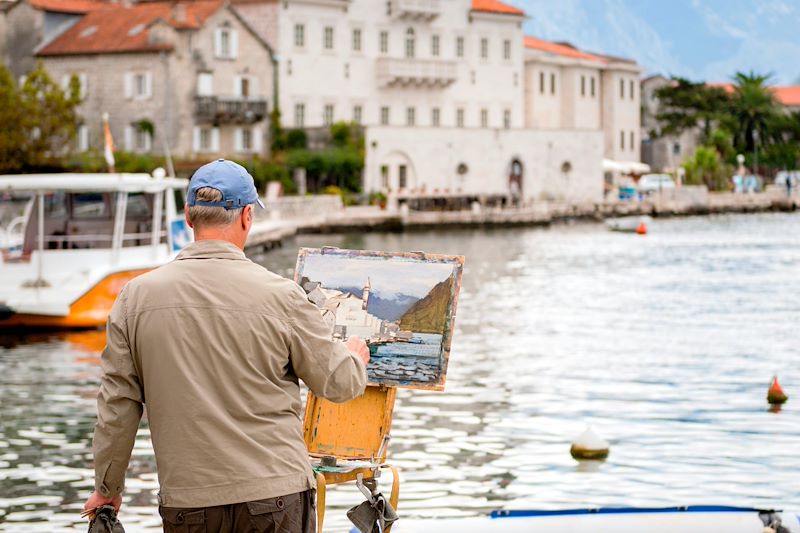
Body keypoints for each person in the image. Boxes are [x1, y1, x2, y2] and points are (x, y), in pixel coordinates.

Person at [83, 159, 370, 532]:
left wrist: (107, 487)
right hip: (275, 496)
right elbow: (340, 384)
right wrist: (354, 357)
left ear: (188, 216)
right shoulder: (282, 295)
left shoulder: (133, 299)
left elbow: (117, 405)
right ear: (247, 216)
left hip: (190, 503)